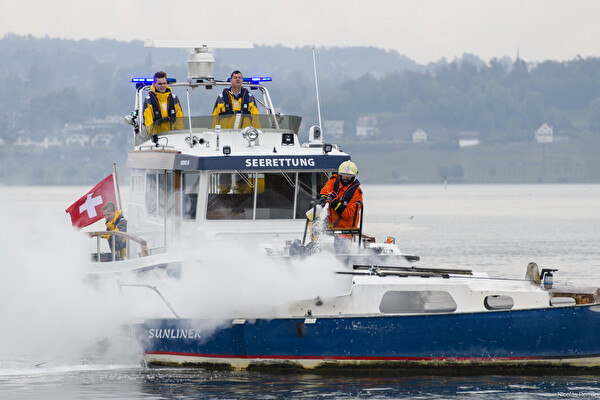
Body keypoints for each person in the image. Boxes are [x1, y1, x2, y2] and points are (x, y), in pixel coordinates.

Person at [318, 161, 363, 253]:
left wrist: (335, 204)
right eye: (343, 174)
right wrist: (323, 199)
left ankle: (343, 263)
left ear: (354, 176)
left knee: (342, 252)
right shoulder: (333, 181)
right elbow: (325, 191)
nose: (346, 177)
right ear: (339, 174)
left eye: (348, 175)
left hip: (345, 228)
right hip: (330, 222)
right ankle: (309, 251)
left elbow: (349, 214)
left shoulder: (356, 193)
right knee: (314, 223)